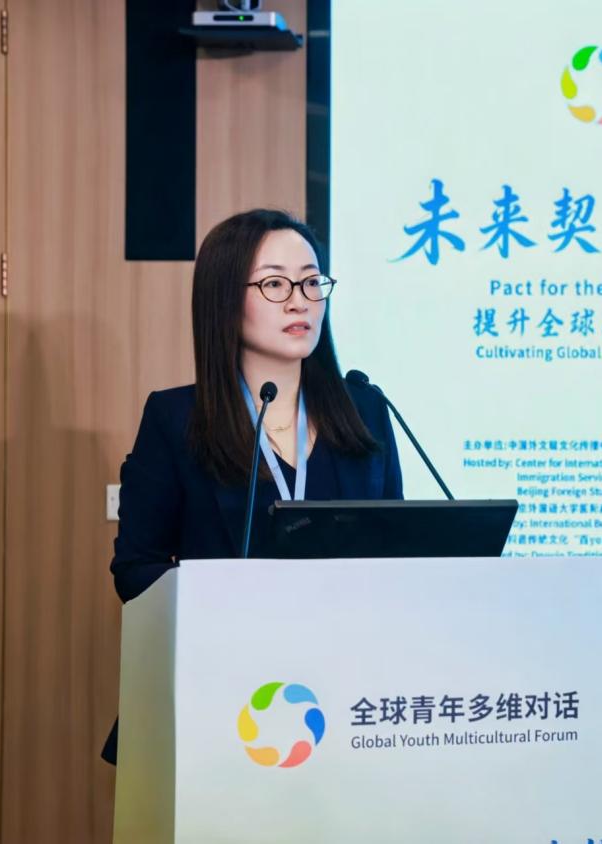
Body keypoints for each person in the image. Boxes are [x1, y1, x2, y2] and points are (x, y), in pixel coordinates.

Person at [101, 209, 403, 763]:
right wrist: (228, 599)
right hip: (221, 696)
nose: (300, 301)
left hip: (348, 693)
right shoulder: (176, 420)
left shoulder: (366, 410)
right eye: (274, 284)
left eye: (311, 282)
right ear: (224, 299)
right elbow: (135, 569)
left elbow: (397, 551)